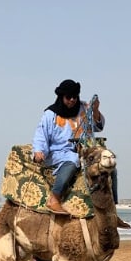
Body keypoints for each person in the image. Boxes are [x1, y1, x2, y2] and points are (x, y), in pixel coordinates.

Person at [31, 79, 107, 214]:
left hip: (84, 152)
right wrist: (39, 151)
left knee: (108, 162)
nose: (72, 100)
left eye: (75, 97)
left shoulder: (84, 108)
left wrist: (95, 110)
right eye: (68, 97)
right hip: (59, 153)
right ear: (61, 97)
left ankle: (110, 208)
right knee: (73, 160)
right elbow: (41, 135)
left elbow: (97, 127)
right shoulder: (50, 114)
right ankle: (54, 198)